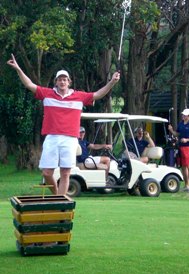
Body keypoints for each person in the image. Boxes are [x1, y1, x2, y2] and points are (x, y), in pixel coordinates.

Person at [7, 54, 120, 195]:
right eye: (60, 79)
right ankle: (57, 195)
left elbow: (97, 94)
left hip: (70, 138)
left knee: (65, 173)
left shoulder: (79, 96)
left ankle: (61, 202)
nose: (62, 82)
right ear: (56, 82)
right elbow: (29, 84)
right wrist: (18, 68)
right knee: (47, 173)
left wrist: (112, 82)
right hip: (52, 137)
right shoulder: (47, 94)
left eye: (65, 79)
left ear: (69, 82)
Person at [168, 108, 189, 193]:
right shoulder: (180, 124)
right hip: (181, 147)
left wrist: (187, 140)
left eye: (185, 115)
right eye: (183, 115)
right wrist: (171, 130)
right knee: (183, 167)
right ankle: (186, 185)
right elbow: (177, 134)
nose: (183, 116)